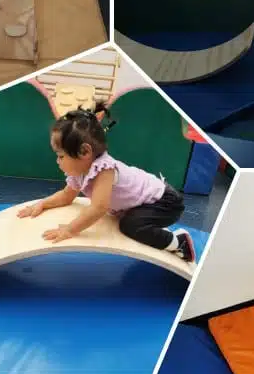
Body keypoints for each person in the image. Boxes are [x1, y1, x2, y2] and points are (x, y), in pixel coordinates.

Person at [18, 104, 194, 260]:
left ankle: (179, 242)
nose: (58, 161)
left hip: (164, 203)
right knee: (126, 220)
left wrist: (70, 230)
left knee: (129, 225)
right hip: (144, 204)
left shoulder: (104, 170)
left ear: (84, 152)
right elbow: (66, 196)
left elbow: (98, 208)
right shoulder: (80, 171)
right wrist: (43, 204)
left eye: (61, 156)